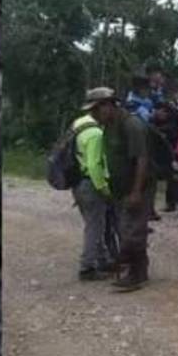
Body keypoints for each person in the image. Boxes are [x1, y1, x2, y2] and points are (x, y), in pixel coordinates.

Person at [104, 86, 152, 292]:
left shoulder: (131, 125)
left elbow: (141, 159)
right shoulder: (109, 126)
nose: (94, 114)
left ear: (109, 105)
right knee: (127, 228)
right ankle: (138, 269)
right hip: (121, 187)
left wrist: (136, 191)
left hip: (137, 186)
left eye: (96, 109)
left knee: (133, 230)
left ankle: (136, 273)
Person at [70, 88, 116, 281]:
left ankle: (102, 259)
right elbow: (94, 165)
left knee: (95, 223)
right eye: (108, 105)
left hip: (77, 182)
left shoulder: (79, 123)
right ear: (99, 107)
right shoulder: (95, 133)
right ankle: (87, 267)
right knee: (95, 227)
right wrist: (104, 189)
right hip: (90, 184)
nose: (111, 109)